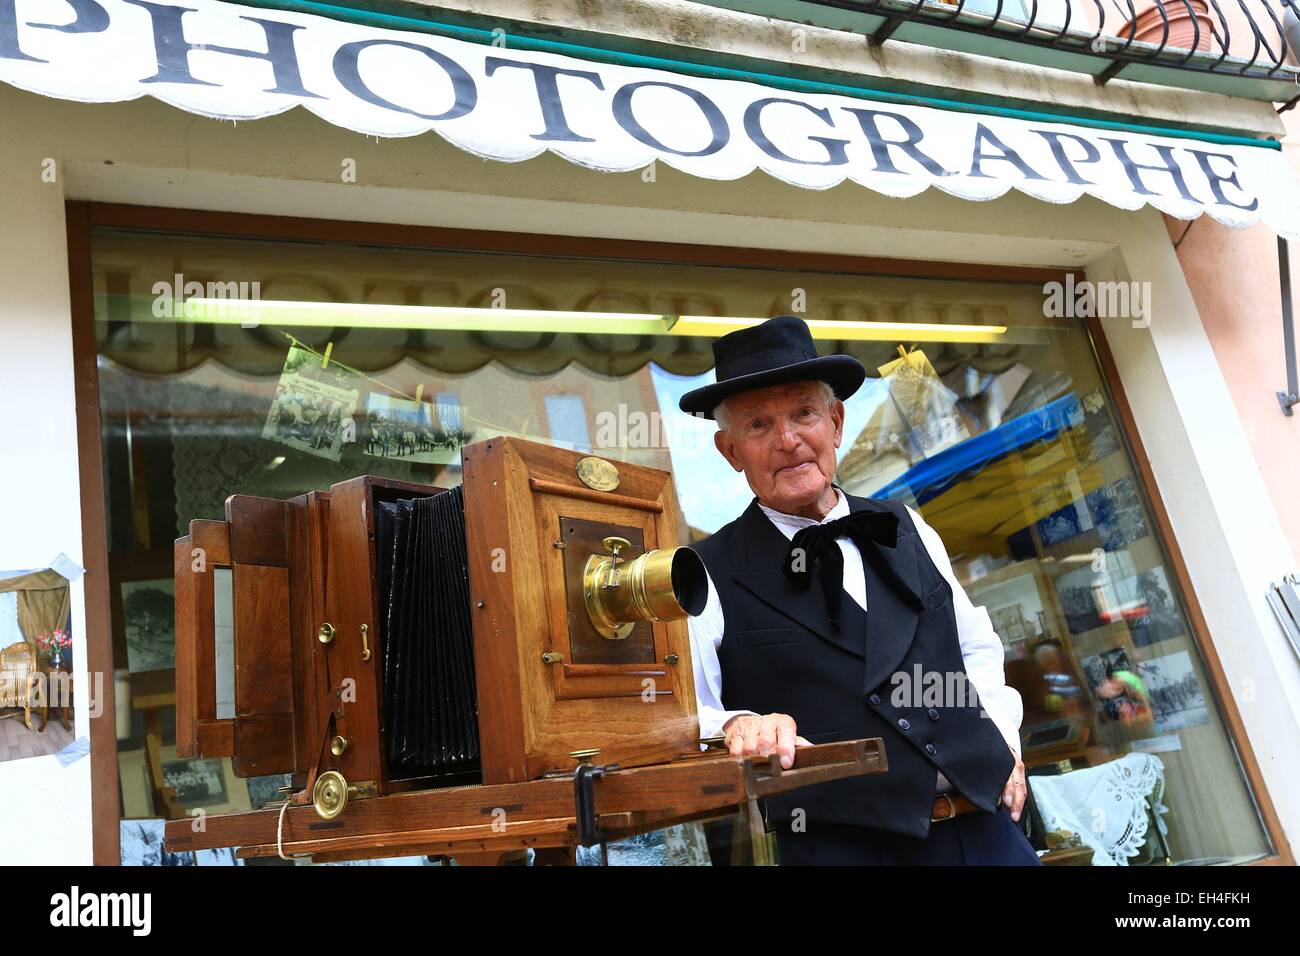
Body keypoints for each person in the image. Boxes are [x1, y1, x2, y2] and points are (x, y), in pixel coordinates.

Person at [680, 315, 1041, 865]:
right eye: (758, 425)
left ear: (836, 421)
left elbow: (975, 649)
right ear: (730, 451)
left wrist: (1004, 745)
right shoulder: (705, 571)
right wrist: (739, 724)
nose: (788, 440)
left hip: (984, 831)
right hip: (841, 850)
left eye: (804, 413)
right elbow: (689, 717)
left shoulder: (907, 525)